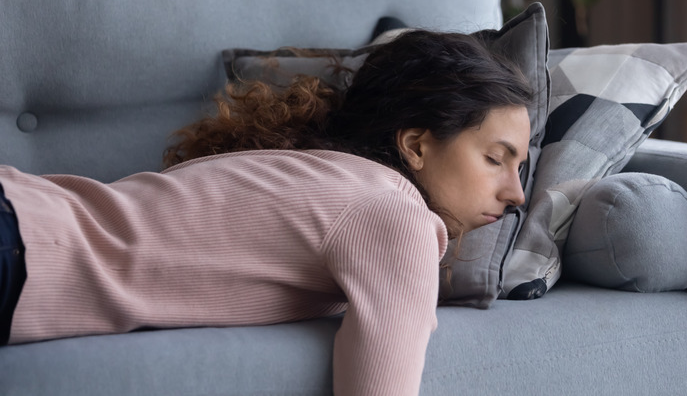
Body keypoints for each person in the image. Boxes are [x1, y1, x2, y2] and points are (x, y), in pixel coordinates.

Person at [0, 30, 533, 395]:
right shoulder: (393, 214)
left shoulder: (320, 174)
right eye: (494, 159)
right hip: (20, 243)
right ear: (416, 144)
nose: (517, 195)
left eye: (521, 169)